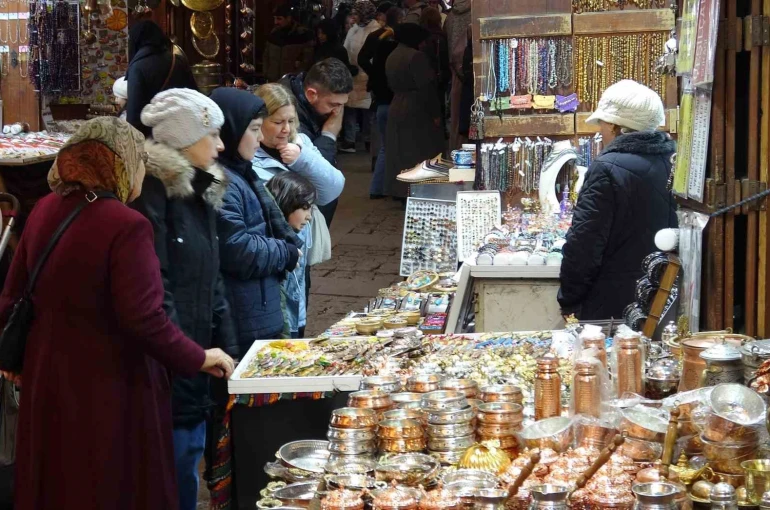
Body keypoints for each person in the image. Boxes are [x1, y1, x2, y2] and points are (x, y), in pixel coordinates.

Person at [0, 117, 234, 510]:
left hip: (49, 378)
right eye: (138, 158)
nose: (142, 168)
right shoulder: (127, 225)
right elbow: (143, 317)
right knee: (111, 483)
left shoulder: (44, 209)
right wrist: (199, 356)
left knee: (59, 481)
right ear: (120, 163)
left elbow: (11, 295)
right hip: (110, 384)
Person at [132, 89, 238, 510]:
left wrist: (228, 352)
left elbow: (212, 282)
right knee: (173, 472)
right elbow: (158, 290)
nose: (221, 145)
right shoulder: (151, 198)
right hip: (171, 370)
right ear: (181, 139)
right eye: (211, 134)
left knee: (188, 464)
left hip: (196, 363)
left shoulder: (200, 192)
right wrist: (188, 357)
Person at [558, 80, 678, 320]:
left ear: (615, 126)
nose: (599, 132)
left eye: (601, 124)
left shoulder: (606, 168)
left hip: (614, 306)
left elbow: (584, 244)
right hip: (669, 300)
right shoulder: (675, 160)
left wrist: (569, 298)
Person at [207, 87, 299, 351]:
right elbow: (237, 248)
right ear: (232, 129)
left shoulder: (242, 174)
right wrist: (285, 252)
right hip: (243, 315)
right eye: (254, 129)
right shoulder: (223, 181)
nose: (260, 138)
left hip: (254, 309)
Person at [252, 83, 345, 326]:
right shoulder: (249, 150)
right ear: (259, 120)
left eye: (291, 121)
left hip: (301, 249)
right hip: (270, 250)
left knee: (298, 311)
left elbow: (333, 188)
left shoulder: (301, 142)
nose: (286, 129)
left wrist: (303, 158)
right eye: (278, 122)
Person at [279, 58, 353, 225]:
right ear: (312, 94)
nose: (338, 111)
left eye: (342, 105)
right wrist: (329, 135)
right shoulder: (288, 115)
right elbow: (315, 167)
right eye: (334, 104)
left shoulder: (309, 104)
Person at [384, 23, 444, 199]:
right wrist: (435, 114)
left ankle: (400, 189)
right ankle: (418, 190)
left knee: (399, 151)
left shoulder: (392, 55)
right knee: (419, 151)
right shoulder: (416, 57)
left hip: (396, 104)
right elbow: (426, 87)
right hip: (416, 108)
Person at [265, 172, 317, 338]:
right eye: (304, 208)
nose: (308, 216)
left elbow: (299, 283)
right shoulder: (269, 240)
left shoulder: (300, 231)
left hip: (296, 317)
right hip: (278, 320)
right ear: (286, 203)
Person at [358, 6, 402, 198]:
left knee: (383, 142)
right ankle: (382, 187)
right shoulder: (398, 43)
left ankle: (381, 187)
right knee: (389, 144)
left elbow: (362, 58)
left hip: (380, 95)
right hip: (392, 97)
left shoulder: (376, 36)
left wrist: (374, 75)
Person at [126, 20, 198, 138]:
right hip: (182, 133)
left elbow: (134, 117)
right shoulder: (178, 60)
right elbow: (194, 95)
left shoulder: (138, 68)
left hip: (154, 138)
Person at [341, 0, 380, 153]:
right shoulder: (354, 29)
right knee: (350, 108)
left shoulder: (376, 30)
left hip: (367, 75)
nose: (354, 16)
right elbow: (346, 48)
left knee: (367, 111)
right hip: (353, 75)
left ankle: (369, 140)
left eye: (357, 13)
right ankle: (350, 141)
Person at [444, 0, 471, 149]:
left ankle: (457, 151)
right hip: (472, 67)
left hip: (455, 71)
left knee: (457, 117)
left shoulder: (450, 17)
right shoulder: (477, 12)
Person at [263, 5, 314, 83]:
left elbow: (307, 60)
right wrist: (266, 73)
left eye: (279, 19)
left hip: (292, 82)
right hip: (273, 81)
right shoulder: (273, 34)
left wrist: (296, 76)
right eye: (275, 18)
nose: (276, 22)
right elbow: (266, 56)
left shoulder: (302, 35)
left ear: (288, 18)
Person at [420, 6, 450, 130]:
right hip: (439, 77)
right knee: (439, 104)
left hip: (424, 77)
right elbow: (444, 59)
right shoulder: (441, 37)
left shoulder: (421, 39)